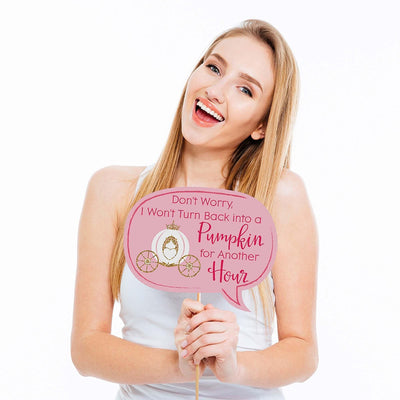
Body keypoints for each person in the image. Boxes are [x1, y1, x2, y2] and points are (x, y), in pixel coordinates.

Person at [71, 19, 319, 399]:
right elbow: (86, 350)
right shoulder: (113, 191)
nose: (215, 91)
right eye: (214, 68)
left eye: (245, 89)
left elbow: (302, 352)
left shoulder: (281, 196)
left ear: (262, 126)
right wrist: (181, 363)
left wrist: (234, 365)